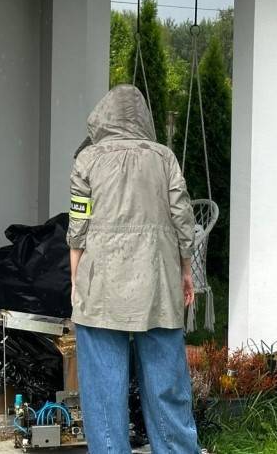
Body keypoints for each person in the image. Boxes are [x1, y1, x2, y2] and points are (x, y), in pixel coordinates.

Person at [67, 85, 199, 454]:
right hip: (157, 283)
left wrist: (76, 279)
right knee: (166, 384)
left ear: (102, 117)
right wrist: (185, 270)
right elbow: (183, 220)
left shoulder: (87, 159)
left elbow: (78, 225)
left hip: (101, 283)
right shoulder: (164, 157)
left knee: (103, 391)